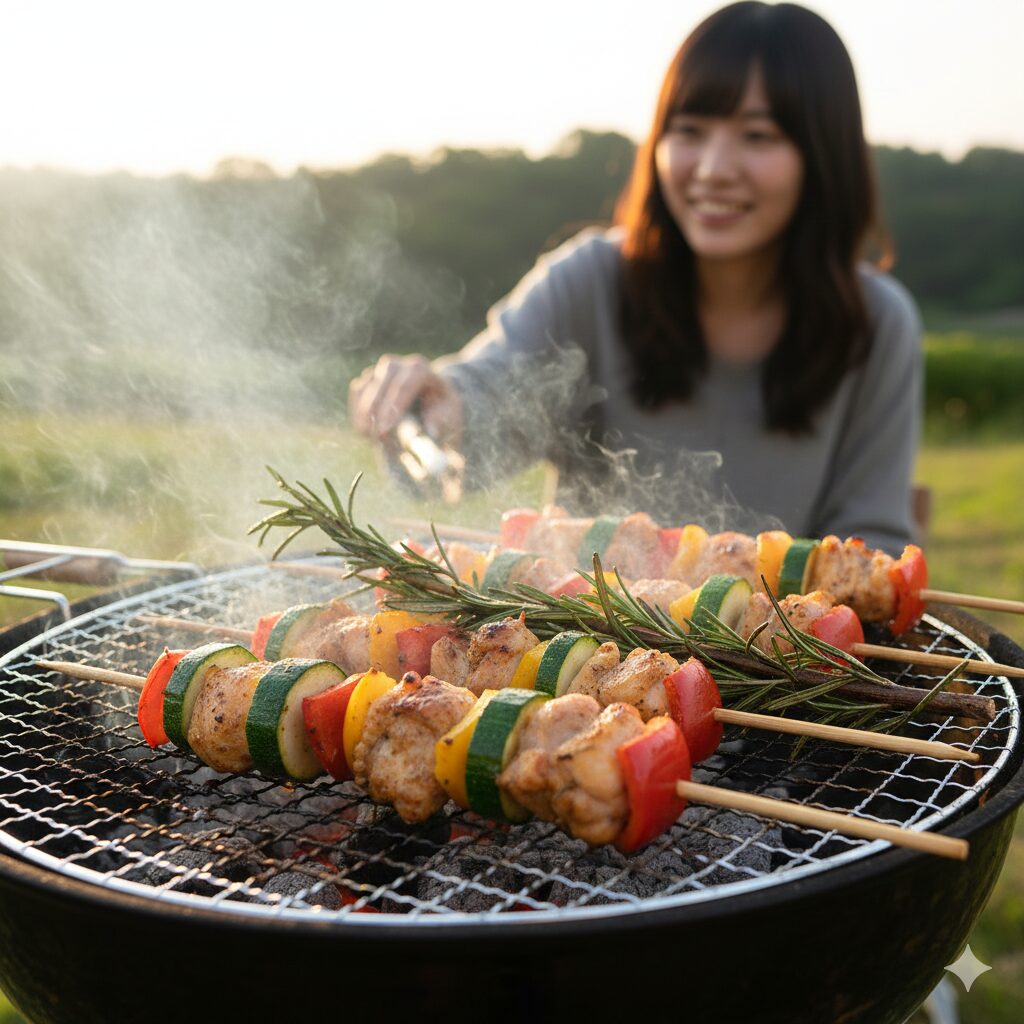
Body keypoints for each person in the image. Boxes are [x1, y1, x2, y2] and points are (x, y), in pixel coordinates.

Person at [348, 1, 923, 555]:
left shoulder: (876, 325)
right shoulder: (591, 282)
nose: (713, 169)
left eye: (758, 136)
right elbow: (490, 400)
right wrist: (436, 407)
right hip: (586, 648)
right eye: (690, 130)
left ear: (823, 155)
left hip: (776, 650)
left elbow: (871, 543)